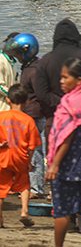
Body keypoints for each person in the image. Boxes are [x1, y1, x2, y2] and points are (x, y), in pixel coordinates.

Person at [45, 58, 81, 247]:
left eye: (65, 77)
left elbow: (66, 136)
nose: (61, 81)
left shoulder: (71, 102)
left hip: (66, 165)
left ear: (79, 80)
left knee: (63, 211)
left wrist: (54, 164)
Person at [35, 18, 81, 142]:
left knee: (55, 160)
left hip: (55, 121)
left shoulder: (45, 60)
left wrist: (62, 103)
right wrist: (76, 103)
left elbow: (42, 94)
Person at [2, 33, 46, 199]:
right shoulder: (29, 67)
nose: (17, 57)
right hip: (30, 114)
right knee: (27, 150)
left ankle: (36, 188)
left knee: (34, 151)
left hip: (34, 115)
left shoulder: (33, 71)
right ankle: (27, 185)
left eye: (19, 53)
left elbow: (41, 94)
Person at [0, 84, 41, 228]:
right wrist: (29, 162)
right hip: (21, 157)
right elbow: (32, 145)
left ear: (7, 99)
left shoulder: (1, 116)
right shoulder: (28, 120)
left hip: (3, 157)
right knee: (24, 185)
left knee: (1, 187)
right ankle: (24, 211)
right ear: (27, 101)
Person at [0, 34, 18, 112]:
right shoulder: (1, 60)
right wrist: (14, 96)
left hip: (11, 105)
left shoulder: (14, 62)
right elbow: (0, 86)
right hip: (2, 106)